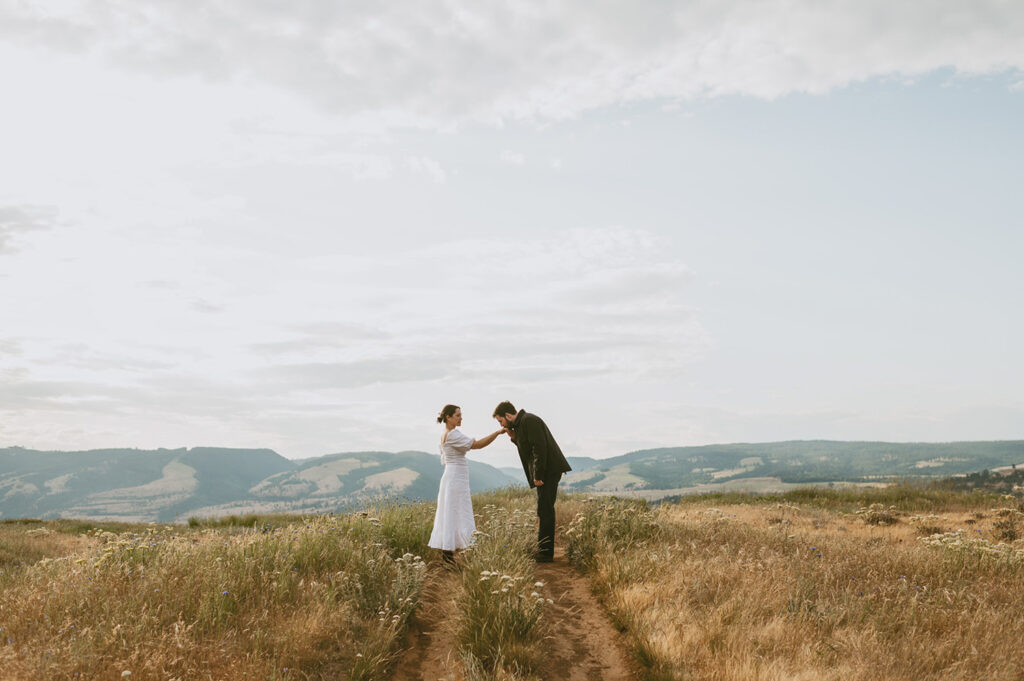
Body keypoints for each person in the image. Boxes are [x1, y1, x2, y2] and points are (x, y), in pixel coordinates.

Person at [493, 401, 572, 562]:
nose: (501, 424)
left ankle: (545, 554)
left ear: (508, 415)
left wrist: (538, 475)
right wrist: (514, 438)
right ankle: (544, 550)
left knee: (545, 510)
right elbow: (528, 447)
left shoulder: (529, 420)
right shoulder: (522, 424)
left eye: (500, 421)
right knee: (543, 509)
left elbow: (539, 448)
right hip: (546, 471)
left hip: (548, 471)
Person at [428, 404, 506, 565]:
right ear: (448, 417)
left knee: (450, 513)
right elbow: (477, 445)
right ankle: (450, 554)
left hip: (452, 476)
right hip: (455, 478)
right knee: (456, 512)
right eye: (457, 415)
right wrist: (498, 433)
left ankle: (449, 553)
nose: (461, 417)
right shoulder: (453, 434)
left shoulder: (445, 434)